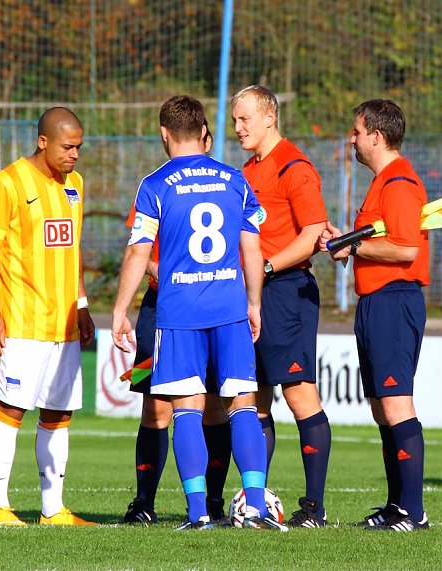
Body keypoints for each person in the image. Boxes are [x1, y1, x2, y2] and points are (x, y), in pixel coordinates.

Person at [112, 95, 286, 531]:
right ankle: (258, 512)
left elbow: (138, 252)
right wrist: (254, 302)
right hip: (229, 311)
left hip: (177, 314)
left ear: (165, 134)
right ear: (203, 132)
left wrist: (120, 310)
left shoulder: (154, 185)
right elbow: (252, 246)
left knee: (185, 409)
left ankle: (197, 514)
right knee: (242, 407)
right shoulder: (234, 179)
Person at [0, 106, 97, 527]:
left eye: (79, 146)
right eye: (68, 146)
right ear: (43, 141)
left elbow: (73, 249)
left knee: (58, 415)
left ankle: (53, 509)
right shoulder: (6, 183)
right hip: (21, 321)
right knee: (11, 410)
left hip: (63, 324)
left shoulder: (75, 185)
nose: (75, 154)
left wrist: (81, 305)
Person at [319, 99, 430, 532]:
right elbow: (380, 240)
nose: (352, 138)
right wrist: (346, 243)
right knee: (382, 407)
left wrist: (354, 247)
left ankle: (413, 511)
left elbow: (405, 248)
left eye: (357, 131)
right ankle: (396, 505)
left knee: (397, 402)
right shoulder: (382, 181)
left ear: (377, 137)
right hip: (376, 302)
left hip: (394, 301)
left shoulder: (399, 182)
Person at [122, 121, 234, 526]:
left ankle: (214, 501)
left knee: (214, 407)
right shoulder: (157, 186)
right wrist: (170, 274)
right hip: (158, 309)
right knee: (154, 406)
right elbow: (141, 250)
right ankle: (144, 502)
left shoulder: (220, 183)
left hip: (209, 310)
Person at [230, 85, 332, 527]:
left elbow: (312, 234)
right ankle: (259, 500)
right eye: (235, 121)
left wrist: (266, 267)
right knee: (255, 401)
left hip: (286, 291)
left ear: (270, 117)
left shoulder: (295, 166)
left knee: (299, 395)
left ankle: (313, 508)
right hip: (252, 293)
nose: (237, 128)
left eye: (244, 119)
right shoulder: (247, 169)